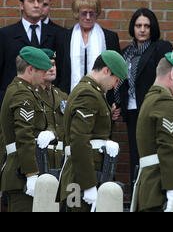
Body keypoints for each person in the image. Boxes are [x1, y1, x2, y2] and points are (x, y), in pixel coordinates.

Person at [131, 52, 173, 212]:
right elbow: (168, 148)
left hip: (154, 188)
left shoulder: (155, 98)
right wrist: (172, 192)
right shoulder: (165, 102)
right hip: (160, 192)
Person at [58, 50, 128, 212]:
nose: (115, 86)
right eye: (116, 80)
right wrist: (88, 184)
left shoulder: (92, 92)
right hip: (79, 180)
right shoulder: (88, 94)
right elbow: (79, 140)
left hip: (81, 176)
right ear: (106, 71)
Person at [114, 8, 173, 192]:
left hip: (152, 109)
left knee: (152, 154)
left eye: (147, 26)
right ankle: (136, 195)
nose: (142, 29)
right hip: (132, 110)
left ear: (152, 28)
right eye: (138, 25)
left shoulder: (161, 48)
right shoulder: (126, 52)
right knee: (135, 154)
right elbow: (120, 81)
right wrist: (117, 103)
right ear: (133, 27)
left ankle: (152, 195)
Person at [0, 46, 53, 212]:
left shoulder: (26, 91)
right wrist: (31, 174)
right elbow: (24, 135)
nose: (45, 76)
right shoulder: (22, 94)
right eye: (42, 71)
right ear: (30, 69)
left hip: (23, 168)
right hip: (21, 173)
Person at [0, 0, 60, 106]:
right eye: (31, 1)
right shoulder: (6, 34)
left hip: (47, 101)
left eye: (40, 1)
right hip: (14, 99)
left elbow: (62, 69)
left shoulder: (56, 34)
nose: (36, 5)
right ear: (21, 5)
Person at [57, 0, 121, 101]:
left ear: (97, 14)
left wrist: (115, 102)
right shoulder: (64, 38)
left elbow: (116, 72)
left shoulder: (109, 37)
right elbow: (59, 72)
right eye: (84, 13)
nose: (88, 17)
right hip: (69, 99)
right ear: (77, 13)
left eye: (91, 13)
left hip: (103, 99)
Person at [36, 48, 68, 174]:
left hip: (59, 160)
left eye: (53, 64)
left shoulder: (62, 96)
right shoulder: (31, 94)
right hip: (40, 160)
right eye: (46, 65)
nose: (51, 68)